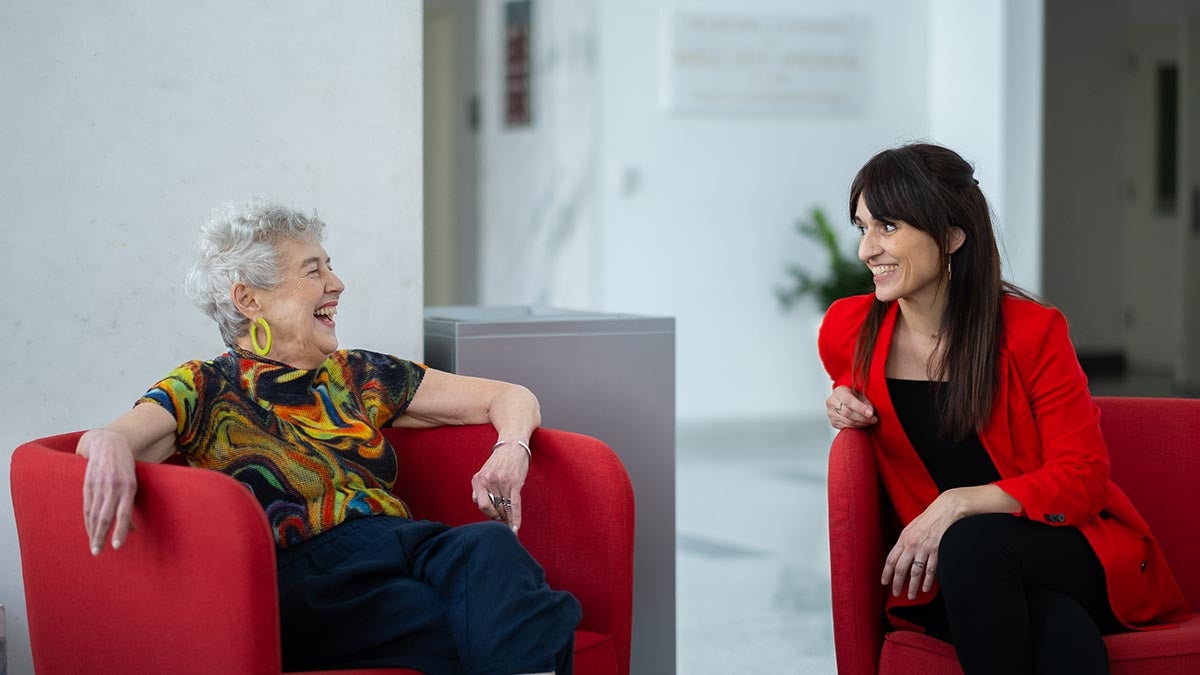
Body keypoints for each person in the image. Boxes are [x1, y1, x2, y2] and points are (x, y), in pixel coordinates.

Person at [77, 199, 581, 675]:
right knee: (522, 611)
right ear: (249, 299)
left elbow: (511, 396)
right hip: (305, 582)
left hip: (402, 549)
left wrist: (511, 451)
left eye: (329, 266)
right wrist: (106, 447)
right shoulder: (207, 386)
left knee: (485, 557)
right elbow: (109, 438)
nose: (336, 283)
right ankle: (537, 619)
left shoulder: (358, 373)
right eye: (313, 270)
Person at [818, 143, 1189, 674]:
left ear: (951, 236)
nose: (866, 250)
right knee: (1062, 630)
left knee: (971, 542)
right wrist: (840, 400)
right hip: (947, 576)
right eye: (862, 228)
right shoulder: (846, 329)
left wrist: (957, 504)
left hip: (1060, 546)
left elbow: (1082, 477)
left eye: (888, 227)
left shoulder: (1033, 333)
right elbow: (851, 389)